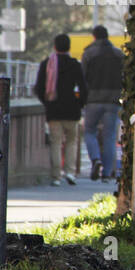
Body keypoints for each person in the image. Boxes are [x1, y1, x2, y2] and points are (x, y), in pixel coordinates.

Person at [34, 33, 87, 186]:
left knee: (55, 143)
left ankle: (56, 176)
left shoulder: (46, 64)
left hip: (54, 110)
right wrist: (80, 104)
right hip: (72, 110)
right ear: (69, 47)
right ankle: (70, 172)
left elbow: (39, 88)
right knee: (71, 142)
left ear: (55, 46)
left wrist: (47, 102)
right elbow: (83, 88)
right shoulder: (75, 64)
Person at [80, 25, 124, 181]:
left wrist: (82, 99)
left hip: (93, 100)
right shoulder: (118, 54)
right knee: (110, 136)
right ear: (107, 37)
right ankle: (106, 173)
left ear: (94, 37)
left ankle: (95, 158)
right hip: (113, 101)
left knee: (89, 131)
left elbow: (82, 78)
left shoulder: (88, 54)